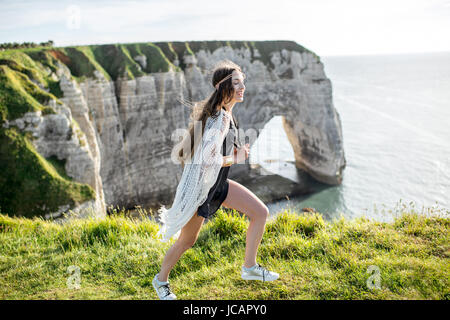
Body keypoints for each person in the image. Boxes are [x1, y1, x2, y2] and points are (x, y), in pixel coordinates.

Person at [152, 60, 279, 300]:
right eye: (236, 83)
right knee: (187, 241)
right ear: (223, 87)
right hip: (203, 189)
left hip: (218, 184)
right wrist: (236, 157)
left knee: (260, 213)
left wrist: (234, 155)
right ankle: (160, 281)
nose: (242, 87)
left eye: (243, 82)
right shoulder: (219, 119)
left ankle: (249, 268)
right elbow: (207, 159)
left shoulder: (225, 114)